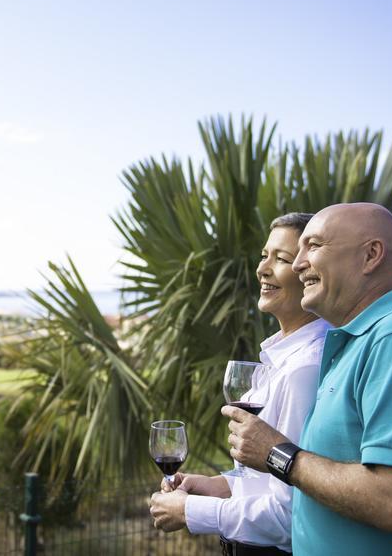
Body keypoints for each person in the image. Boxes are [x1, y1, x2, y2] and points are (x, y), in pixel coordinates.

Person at [222, 203, 392, 555]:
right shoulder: (357, 345)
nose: (298, 264)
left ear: (371, 255)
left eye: (313, 246)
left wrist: (276, 453)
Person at [149, 212, 330, 555]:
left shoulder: (304, 370)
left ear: (309, 271)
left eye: (282, 259)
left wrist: (190, 510)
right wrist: (217, 485)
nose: (262, 268)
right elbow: (270, 482)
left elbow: (290, 515)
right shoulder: (278, 358)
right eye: (264, 255)